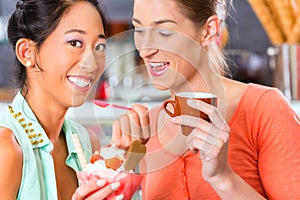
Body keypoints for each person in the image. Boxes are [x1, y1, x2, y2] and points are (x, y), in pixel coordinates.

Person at [111, 0, 300, 199]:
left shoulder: (264, 109)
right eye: (139, 30)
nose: (145, 50)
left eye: (164, 32)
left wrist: (223, 178)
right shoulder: (148, 127)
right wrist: (119, 168)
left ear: (209, 30)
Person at [0, 0, 123, 199]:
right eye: (75, 43)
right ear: (27, 52)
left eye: (99, 47)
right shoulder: (6, 149)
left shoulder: (87, 142)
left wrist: (128, 152)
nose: (92, 64)